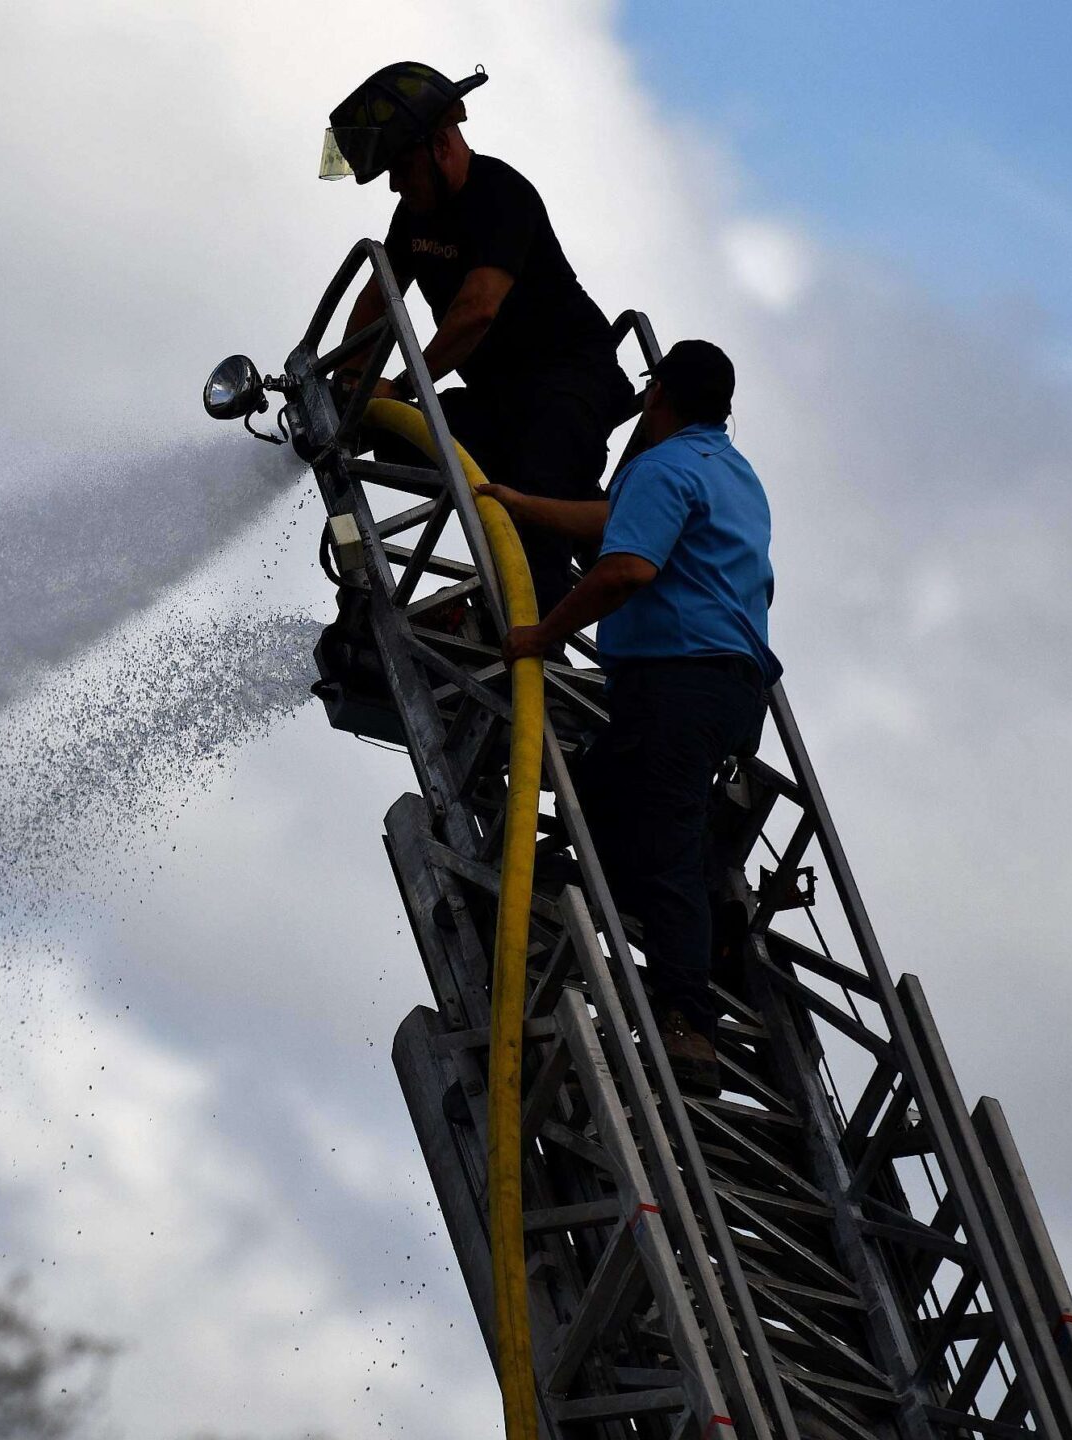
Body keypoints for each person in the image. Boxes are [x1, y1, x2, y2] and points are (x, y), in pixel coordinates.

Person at [499, 340, 777, 1094]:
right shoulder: (730, 471)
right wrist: (520, 505)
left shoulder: (661, 466)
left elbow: (627, 566)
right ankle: (689, 929)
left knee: (662, 844)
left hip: (679, 681)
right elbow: (616, 523)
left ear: (657, 396)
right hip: (727, 686)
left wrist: (541, 635)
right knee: (599, 795)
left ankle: (688, 1020)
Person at [326, 61, 636, 617]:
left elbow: (476, 312)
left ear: (441, 145)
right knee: (394, 437)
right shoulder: (413, 215)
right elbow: (377, 300)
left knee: (539, 481)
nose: (395, 184)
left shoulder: (502, 195)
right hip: (501, 398)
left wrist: (402, 385)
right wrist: (351, 381)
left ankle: (528, 634)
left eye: (401, 167)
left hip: (572, 379)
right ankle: (590, 528)